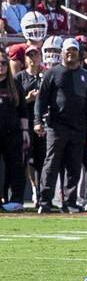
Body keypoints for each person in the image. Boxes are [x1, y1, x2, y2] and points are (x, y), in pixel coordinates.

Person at [34, 39, 87, 214]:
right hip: (56, 126)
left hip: (79, 127)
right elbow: (41, 100)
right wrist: (37, 121)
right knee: (51, 163)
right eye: (68, 50)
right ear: (62, 52)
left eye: (74, 51)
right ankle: (44, 201)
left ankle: (70, 201)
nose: (71, 53)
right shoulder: (52, 73)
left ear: (79, 53)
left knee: (74, 166)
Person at [14, 45, 45, 208]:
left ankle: (42, 193)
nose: (33, 58)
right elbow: (15, 103)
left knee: (42, 160)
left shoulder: (45, 76)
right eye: (30, 55)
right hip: (26, 123)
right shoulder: (20, 78)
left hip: (42, 124)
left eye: (36, 54)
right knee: (27, 160)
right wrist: (28, 98)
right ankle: (33, 189)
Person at [0, 50, 28, 212]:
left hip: (13, 133)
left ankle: (16, 199)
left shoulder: (15, 84)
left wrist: (25, 131)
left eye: (4, 63)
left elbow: (23, 110)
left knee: (16, 166)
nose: (1, 67)